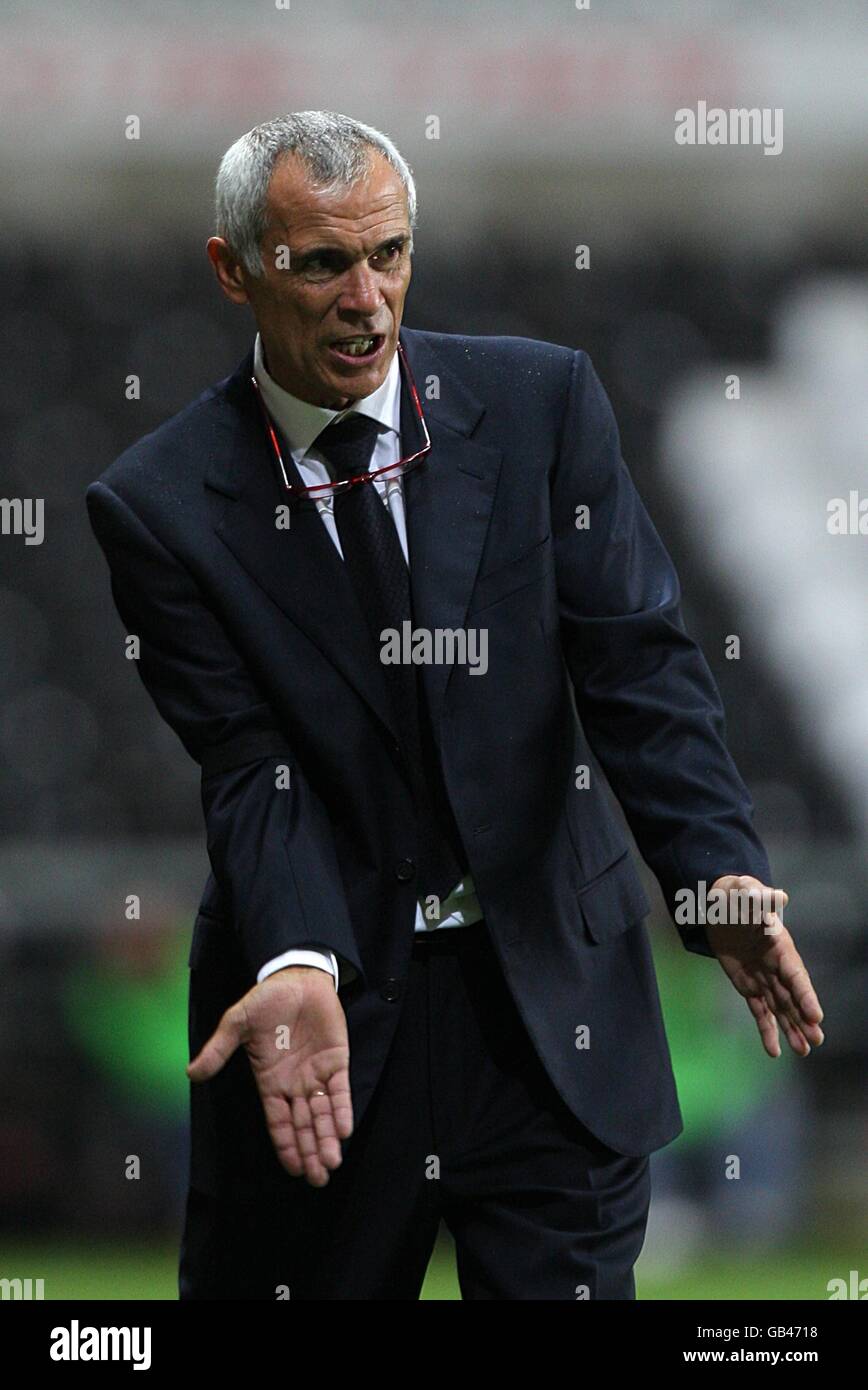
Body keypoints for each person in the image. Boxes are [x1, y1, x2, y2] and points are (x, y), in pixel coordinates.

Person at [85, 110, 824, 1301]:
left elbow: (638, 668)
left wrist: (710, 868)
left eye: (390, 254)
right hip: (325, 1027)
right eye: (321, 261)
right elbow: (248, 760)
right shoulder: (156, 503)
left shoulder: (539, 406)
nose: (367, 298)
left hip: (550, 1018)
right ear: (235, 270)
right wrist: (294, 955)